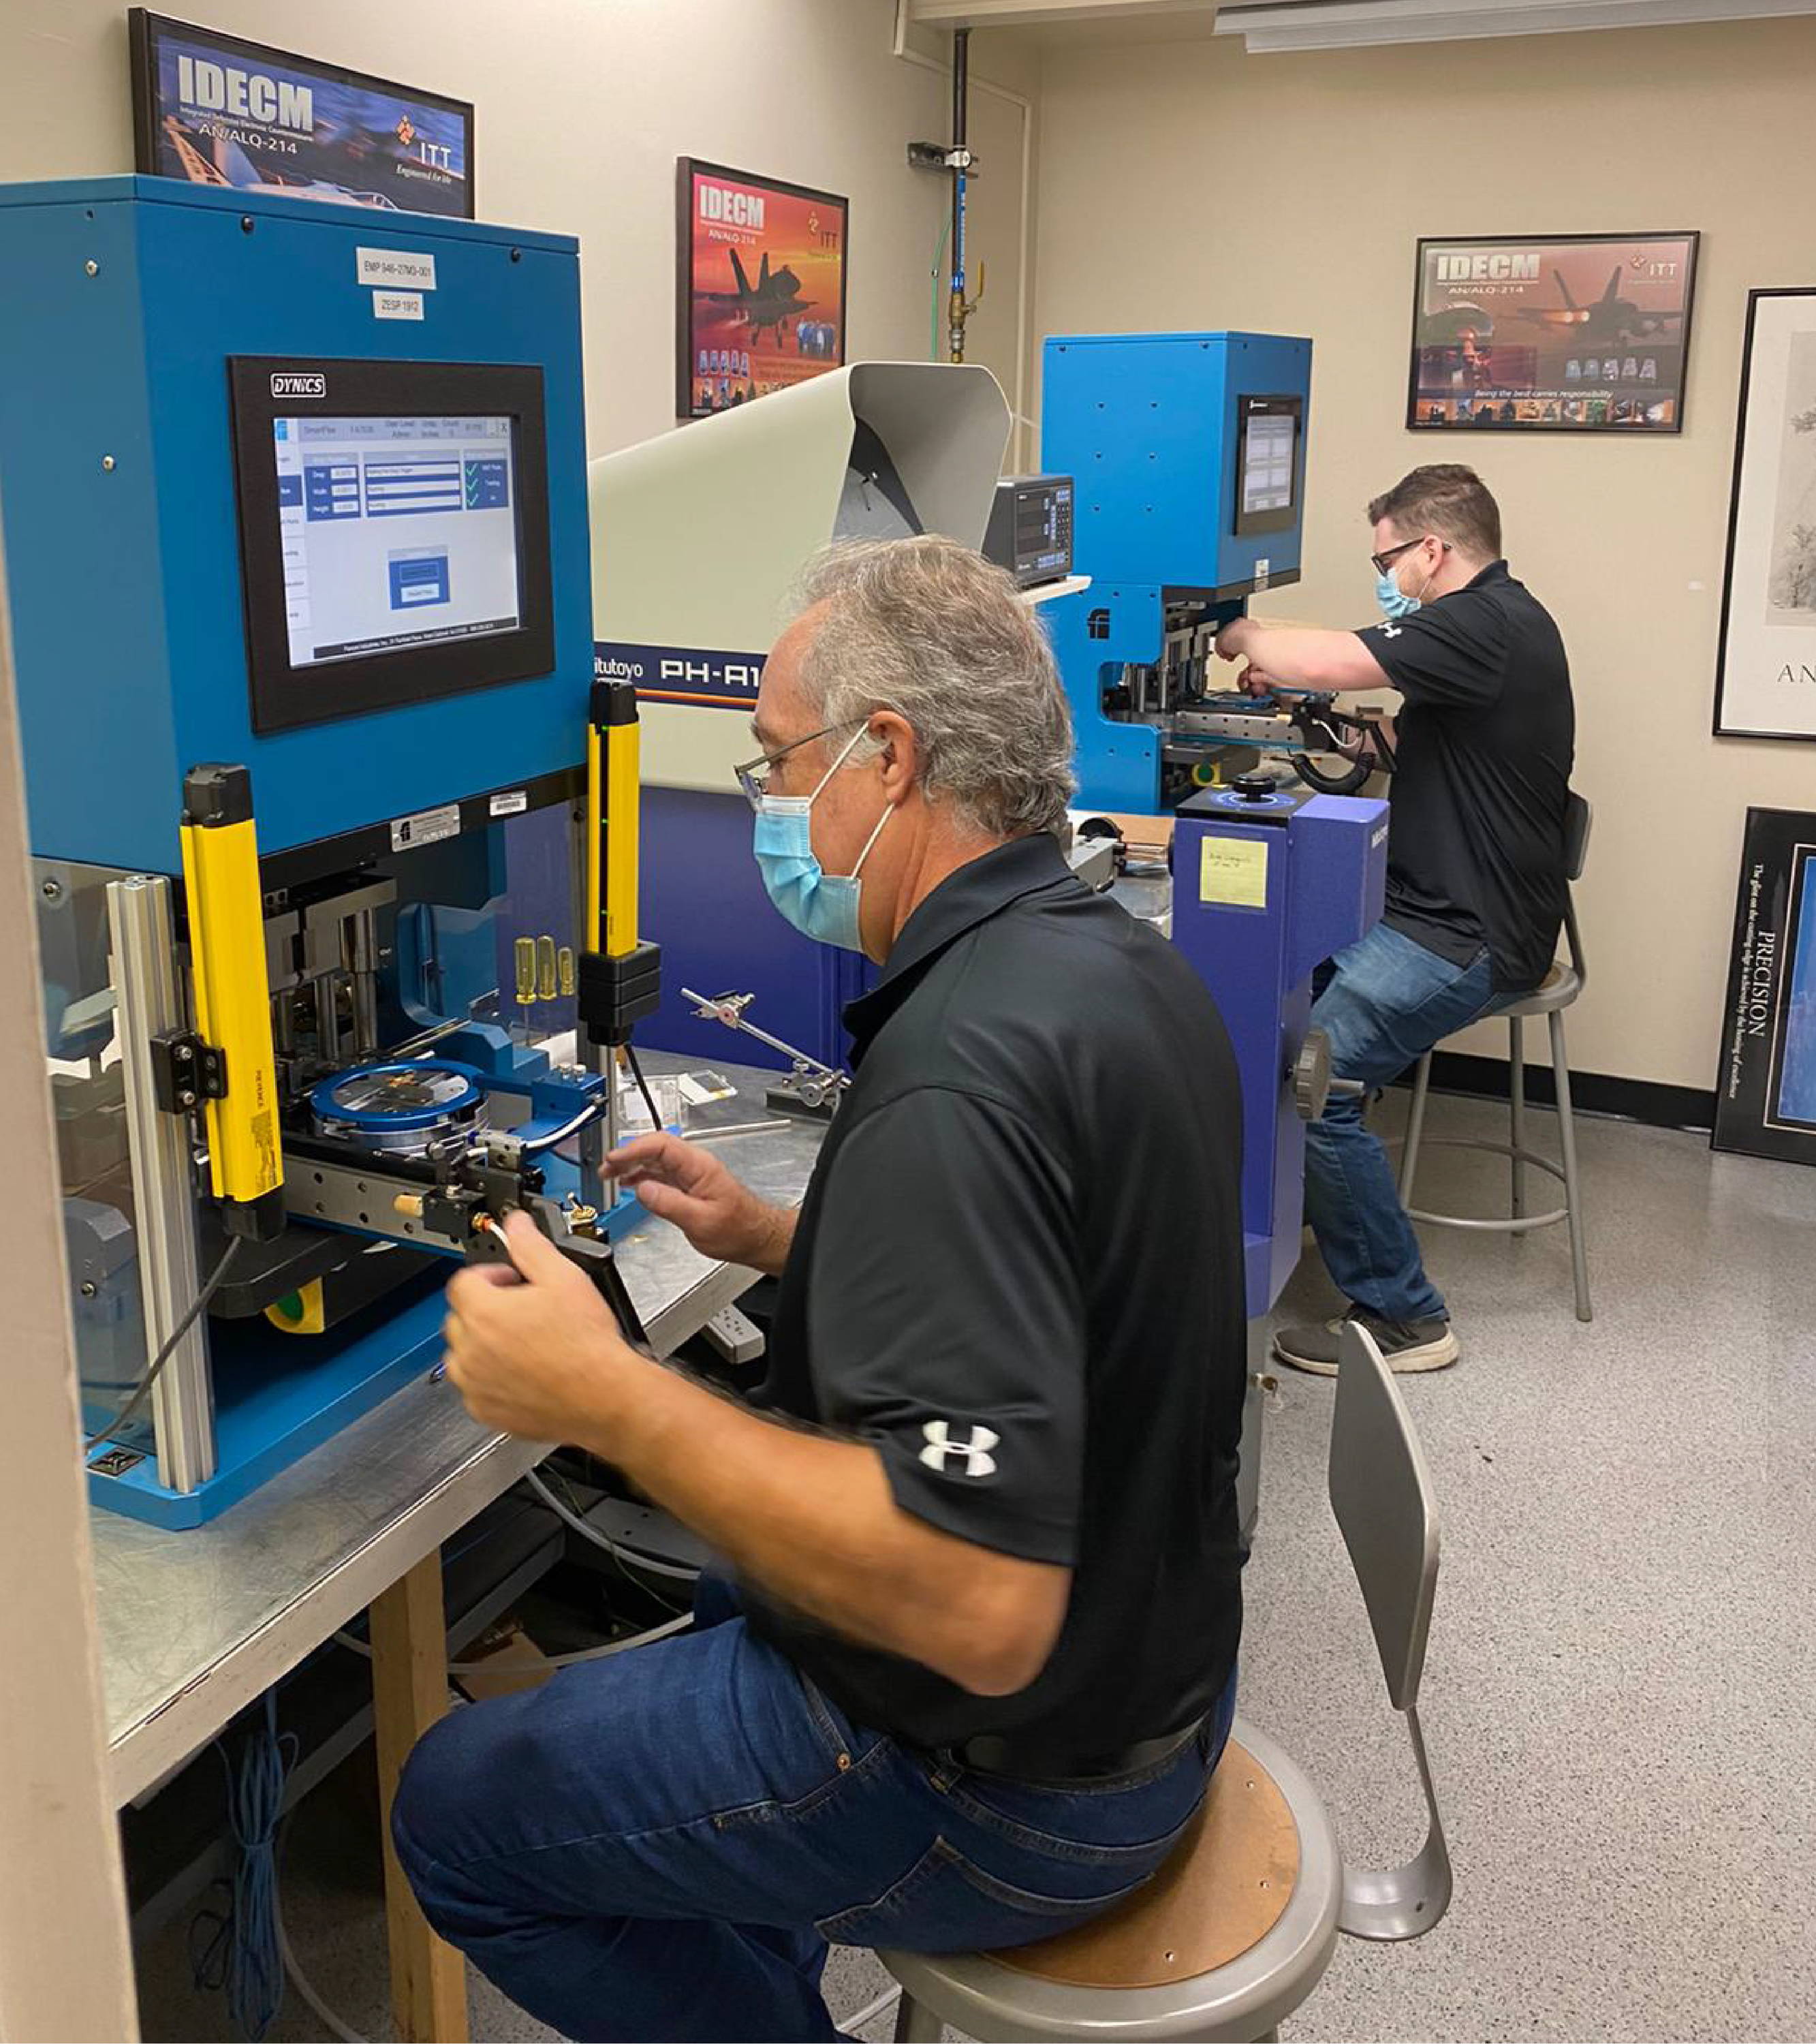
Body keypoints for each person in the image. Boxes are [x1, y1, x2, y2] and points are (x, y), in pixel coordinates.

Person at [392, 536, 1252, 2043]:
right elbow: (1068, 1293)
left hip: (1020, 1787)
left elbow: (980, 1607)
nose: (768, 802)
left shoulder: (957, 1077)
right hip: (1164, 1679)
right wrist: (794, 1238)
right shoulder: (1110, 967)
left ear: (889, 756)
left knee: (456, 1812)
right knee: (737, 1576)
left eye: (774, 761)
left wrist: (610, 1395)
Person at [1214, 463, 1574, 1376]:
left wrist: (1241, 630)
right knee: (1279, 1001)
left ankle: (1405, 1318)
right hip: (1435, 912)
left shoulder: (1480, 622)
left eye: (1386, 558)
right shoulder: (1501, 625)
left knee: (1313, 1073)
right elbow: (1407, 742)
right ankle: (1302, 1200)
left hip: (1468, 936)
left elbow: (1336, 652)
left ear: (1431, 549)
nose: (1383, 577)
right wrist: (1321, 723)